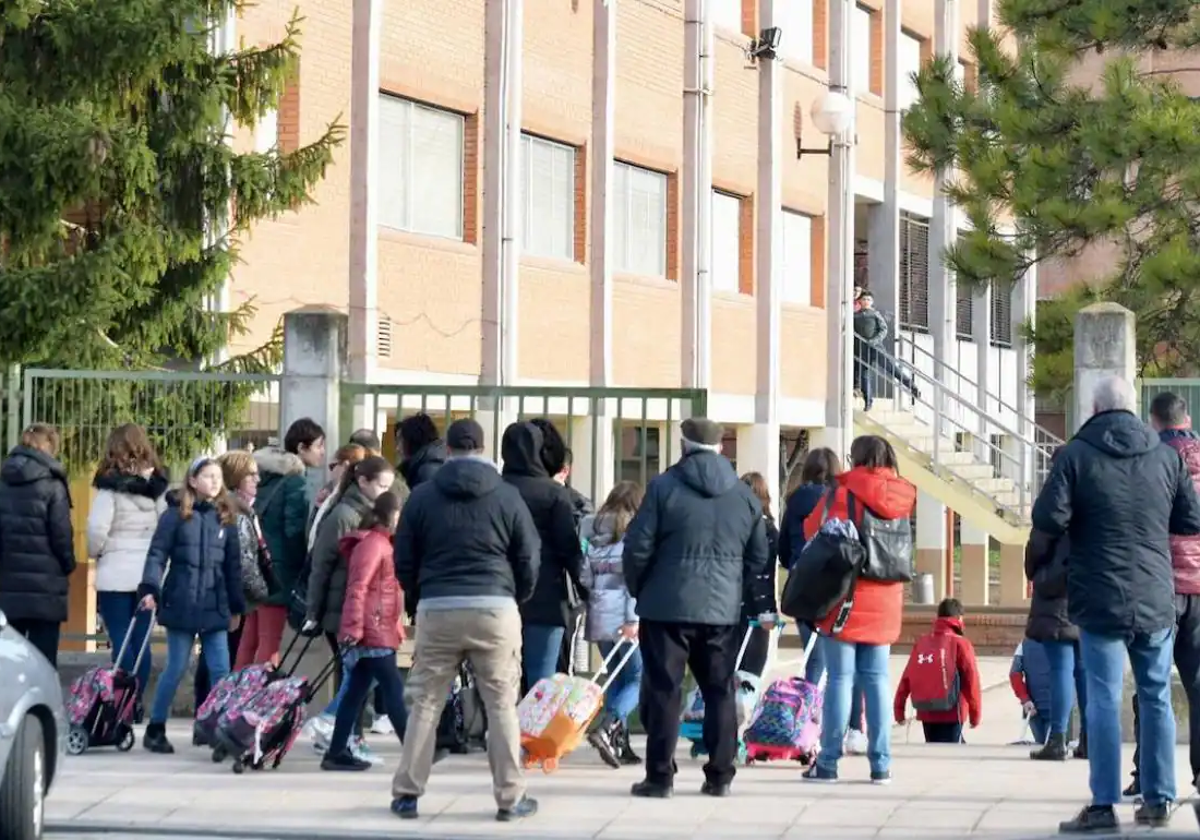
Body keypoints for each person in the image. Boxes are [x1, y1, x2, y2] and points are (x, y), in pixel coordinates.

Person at [1032, 375, 1200, 833]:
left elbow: (1048, 516)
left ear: (1094, 407)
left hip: (1098, 591)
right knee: (1156, 695)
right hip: (1154, 592)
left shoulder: (1075, 456)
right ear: (1135, 410)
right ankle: (1159, 799)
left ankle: (1104, 805)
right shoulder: (1166, 457)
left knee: (1104, 699)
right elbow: (1190, 518)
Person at [391, 418, 541, 822]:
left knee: (425, 700)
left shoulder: (422, 497)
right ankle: (510, 797)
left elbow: (403, 556)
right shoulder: (506, 496)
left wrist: (420, 594)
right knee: (501, 703)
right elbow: (528, 556)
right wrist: (515, 595)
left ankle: (407, 793)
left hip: (438, 606)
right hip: (495, 606)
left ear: (448, 449)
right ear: (482, 447)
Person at [622, 417, 772, 799]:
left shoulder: (663, 488)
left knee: (663, 690)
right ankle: (720, 775)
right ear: (721, 448)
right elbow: (758, 557)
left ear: (684, 445)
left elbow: (637, 547)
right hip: (721, 611)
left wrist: (643, 590)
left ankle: (660, 777)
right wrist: (732, 588)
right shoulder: (744, 497)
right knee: (720, 690)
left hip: (665, 606)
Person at [801, 435, 916, 785]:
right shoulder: (903, 494)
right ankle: (881, 763)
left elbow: (812, 530)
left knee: (840, 679)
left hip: (845, 597)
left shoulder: (842, 492)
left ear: (858, 458)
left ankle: (829, 762)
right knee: (878, 680)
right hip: (886, 598)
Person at [138, 457, 244, 754]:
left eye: (218, 477)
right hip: (181, 600)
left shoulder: (225, 517)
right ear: (193, 480)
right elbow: (157, 555)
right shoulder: (174, 515)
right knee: (176, 666)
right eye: (208, 476)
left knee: (221, 669)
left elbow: (233, 567)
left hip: (215, 603)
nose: (214, 481)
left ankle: (221, 728)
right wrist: (150, 588)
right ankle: (156, 727)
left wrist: (236, 606)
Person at [303, 455, 396, 762]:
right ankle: (334, 728)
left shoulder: (370, 514)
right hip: (341, 611)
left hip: (357, 613)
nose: (385, 491)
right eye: (381, 485)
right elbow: (321, 566)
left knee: (357, 680)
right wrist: (313, 613)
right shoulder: (344, 514)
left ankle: (346, 742)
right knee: (359, 678)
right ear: (363, 481)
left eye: (389, 487)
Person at [777, 447, 867, 749]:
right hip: (837, 590)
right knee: (846, 666)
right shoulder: (841, 500)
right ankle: (853, 727)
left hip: (803, 591)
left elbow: (782, 551)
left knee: (813, 661)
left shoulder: (795, 501)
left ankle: (806, 724)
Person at [321, 491, 408, 771]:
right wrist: (354, 628)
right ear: (390, 515)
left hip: (377, 628)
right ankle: (417, 753)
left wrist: (394, 627)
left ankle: (335, 753)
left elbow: (386, 593)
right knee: (393, 688)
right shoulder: (374, 544)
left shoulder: (383, 544)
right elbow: (357, 588)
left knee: (355, 693)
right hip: (371, 630)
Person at [87, 424, 168, 714]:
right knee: (142, 640)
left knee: (120, 637)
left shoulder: (109, 487)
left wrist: (96, 552)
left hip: (115, 572)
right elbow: (166, 528)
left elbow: (97, 530)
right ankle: (136, 702)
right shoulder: (159, 487)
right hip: (148, 573)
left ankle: (121, 702)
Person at [500, 420, 585, 691]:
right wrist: (587, 591)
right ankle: (532, 733)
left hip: (500, 595)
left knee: (501, 681)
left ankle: (504, 732)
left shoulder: (495, 491)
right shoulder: (554, 494)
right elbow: (570, 550)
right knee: (541, 683)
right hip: (547, 596)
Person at [1148, 391, 1200, 791]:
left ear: (1155, 421)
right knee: (1198, 685)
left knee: (1151, 685)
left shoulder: (1152, 461)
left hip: (1162, 583)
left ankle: (1148, 777)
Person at [1023, 454, 1087, 761]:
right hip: (1088, 592)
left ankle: (1058, 738)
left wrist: (1036, 571)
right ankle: (1089, 738)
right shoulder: (1095, 498)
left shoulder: (1052, 503)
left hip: (1055, 595)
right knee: (1086, 669)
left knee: (1061, 668)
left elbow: (1036, 547)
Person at [579, 481, 645, 769]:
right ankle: (609, 724)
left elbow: (585, 577)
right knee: (639, 677)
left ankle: (620, 744)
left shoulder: (592, 532)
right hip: (624, 615)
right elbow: (633, 581)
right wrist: (633, 618)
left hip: (599, 612)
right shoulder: (633, 535)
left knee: (616, 678)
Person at [0, 424, 76, 666]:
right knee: (44, 661)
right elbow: (61, 535)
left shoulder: (3, 481)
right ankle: (43, 704)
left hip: (8, 585)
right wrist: (68, 565)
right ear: (49, 446)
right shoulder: (53, 484)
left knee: (10, 661)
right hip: (46, 585)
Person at [253, 418, 325, 660]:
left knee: (249, 642)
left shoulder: (266, 475)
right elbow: (293, 532)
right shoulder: (295, 481)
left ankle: (236, 696)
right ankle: (261, 697)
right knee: (269, 646)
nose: (322, 452)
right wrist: (303, 569)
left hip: (257, 568)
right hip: (280, 573)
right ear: (302, 448)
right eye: (318, 446)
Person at [219, 451, 279, 670]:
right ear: (235, 478)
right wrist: (263, 592)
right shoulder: (237, 513)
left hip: (233, 597)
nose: (258, 480)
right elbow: (244, 563)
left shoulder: (239, 509)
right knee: (225, 659)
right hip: (236, 599)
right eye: (251, 475)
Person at [893, 598, 981, 744]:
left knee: (933, 749)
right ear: (959, 618)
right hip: (953, 712)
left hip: (926, 710)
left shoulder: (922, 642)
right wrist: (975, 713)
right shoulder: (961, 643)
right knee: (951, 754)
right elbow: (971, 680)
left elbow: (907, 677)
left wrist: (899, 710)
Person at [738, 472, 779, 678]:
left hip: (728, 606)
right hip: (754, 608)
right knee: (750, 674)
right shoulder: (767, 530)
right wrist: (767, 610)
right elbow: (764, 573)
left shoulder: (731, 527)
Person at [853, 291, 918, 411]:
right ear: (859, 302)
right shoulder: (854, 316)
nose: (866, 301)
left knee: (892, 369)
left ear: (872, 302)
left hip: (877, 348)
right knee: (864, 377)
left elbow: (883, 330)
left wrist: (875, 340)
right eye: (864, 299)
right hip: (861, 350)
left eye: (868, 299)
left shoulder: (875, 314)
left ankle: (911, 386)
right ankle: (868, 402)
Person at [309, 443, 368, 549]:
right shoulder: (332, 493)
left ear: (345, 466)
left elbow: (323, 548)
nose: (330, 472)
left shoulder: (343, 502)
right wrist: (318, 508)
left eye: (332, 466)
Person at [1010, 640, 1053, 745]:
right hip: (1058, 708)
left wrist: (1025, 699)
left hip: (1032, 706)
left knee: (1041, 744)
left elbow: (1015, 674)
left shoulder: (1024, 645)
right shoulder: (1065, 642)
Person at [396, 413, 447, 494]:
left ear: (413, 440)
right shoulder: (423, 465)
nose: (397, 448)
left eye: (400, 441)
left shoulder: (428, 470)